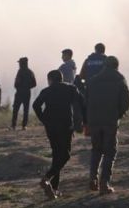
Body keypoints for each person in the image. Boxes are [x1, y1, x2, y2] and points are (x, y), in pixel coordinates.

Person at [33, 70, 86, 199]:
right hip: (65, 126)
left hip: (51, 128)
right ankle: (47, 178)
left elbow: (36, 105)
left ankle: (54, 189)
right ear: (61, 79)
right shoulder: (71, 88)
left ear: (50, 79)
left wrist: (44, 120)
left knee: (57, 155)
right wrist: (84, 121)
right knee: (65, 155)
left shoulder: (47, 90)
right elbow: (82, 102)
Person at [86, 56, 129, 195]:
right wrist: (119, 114)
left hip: (94, 121)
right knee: (110, 151)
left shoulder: (93, 80)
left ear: (104, 66)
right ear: (117, 66)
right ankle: (104, 183)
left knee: (96, 150)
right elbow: (126, 102)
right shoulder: (120, 80)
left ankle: (93, 178)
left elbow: (86, 100)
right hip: (110, 121)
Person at [11, 57, 37, 130]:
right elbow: (34, 84)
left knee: (16, 109)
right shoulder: (30, 72)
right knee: (25, 109)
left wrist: (20, 87)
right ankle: (23, 126)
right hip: (26, 93)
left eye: (20, 63)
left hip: (20, 93)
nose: (19, 64)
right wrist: (27, 87)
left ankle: (14, 125)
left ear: (22, 63)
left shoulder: (20, 71)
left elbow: (16, 84)